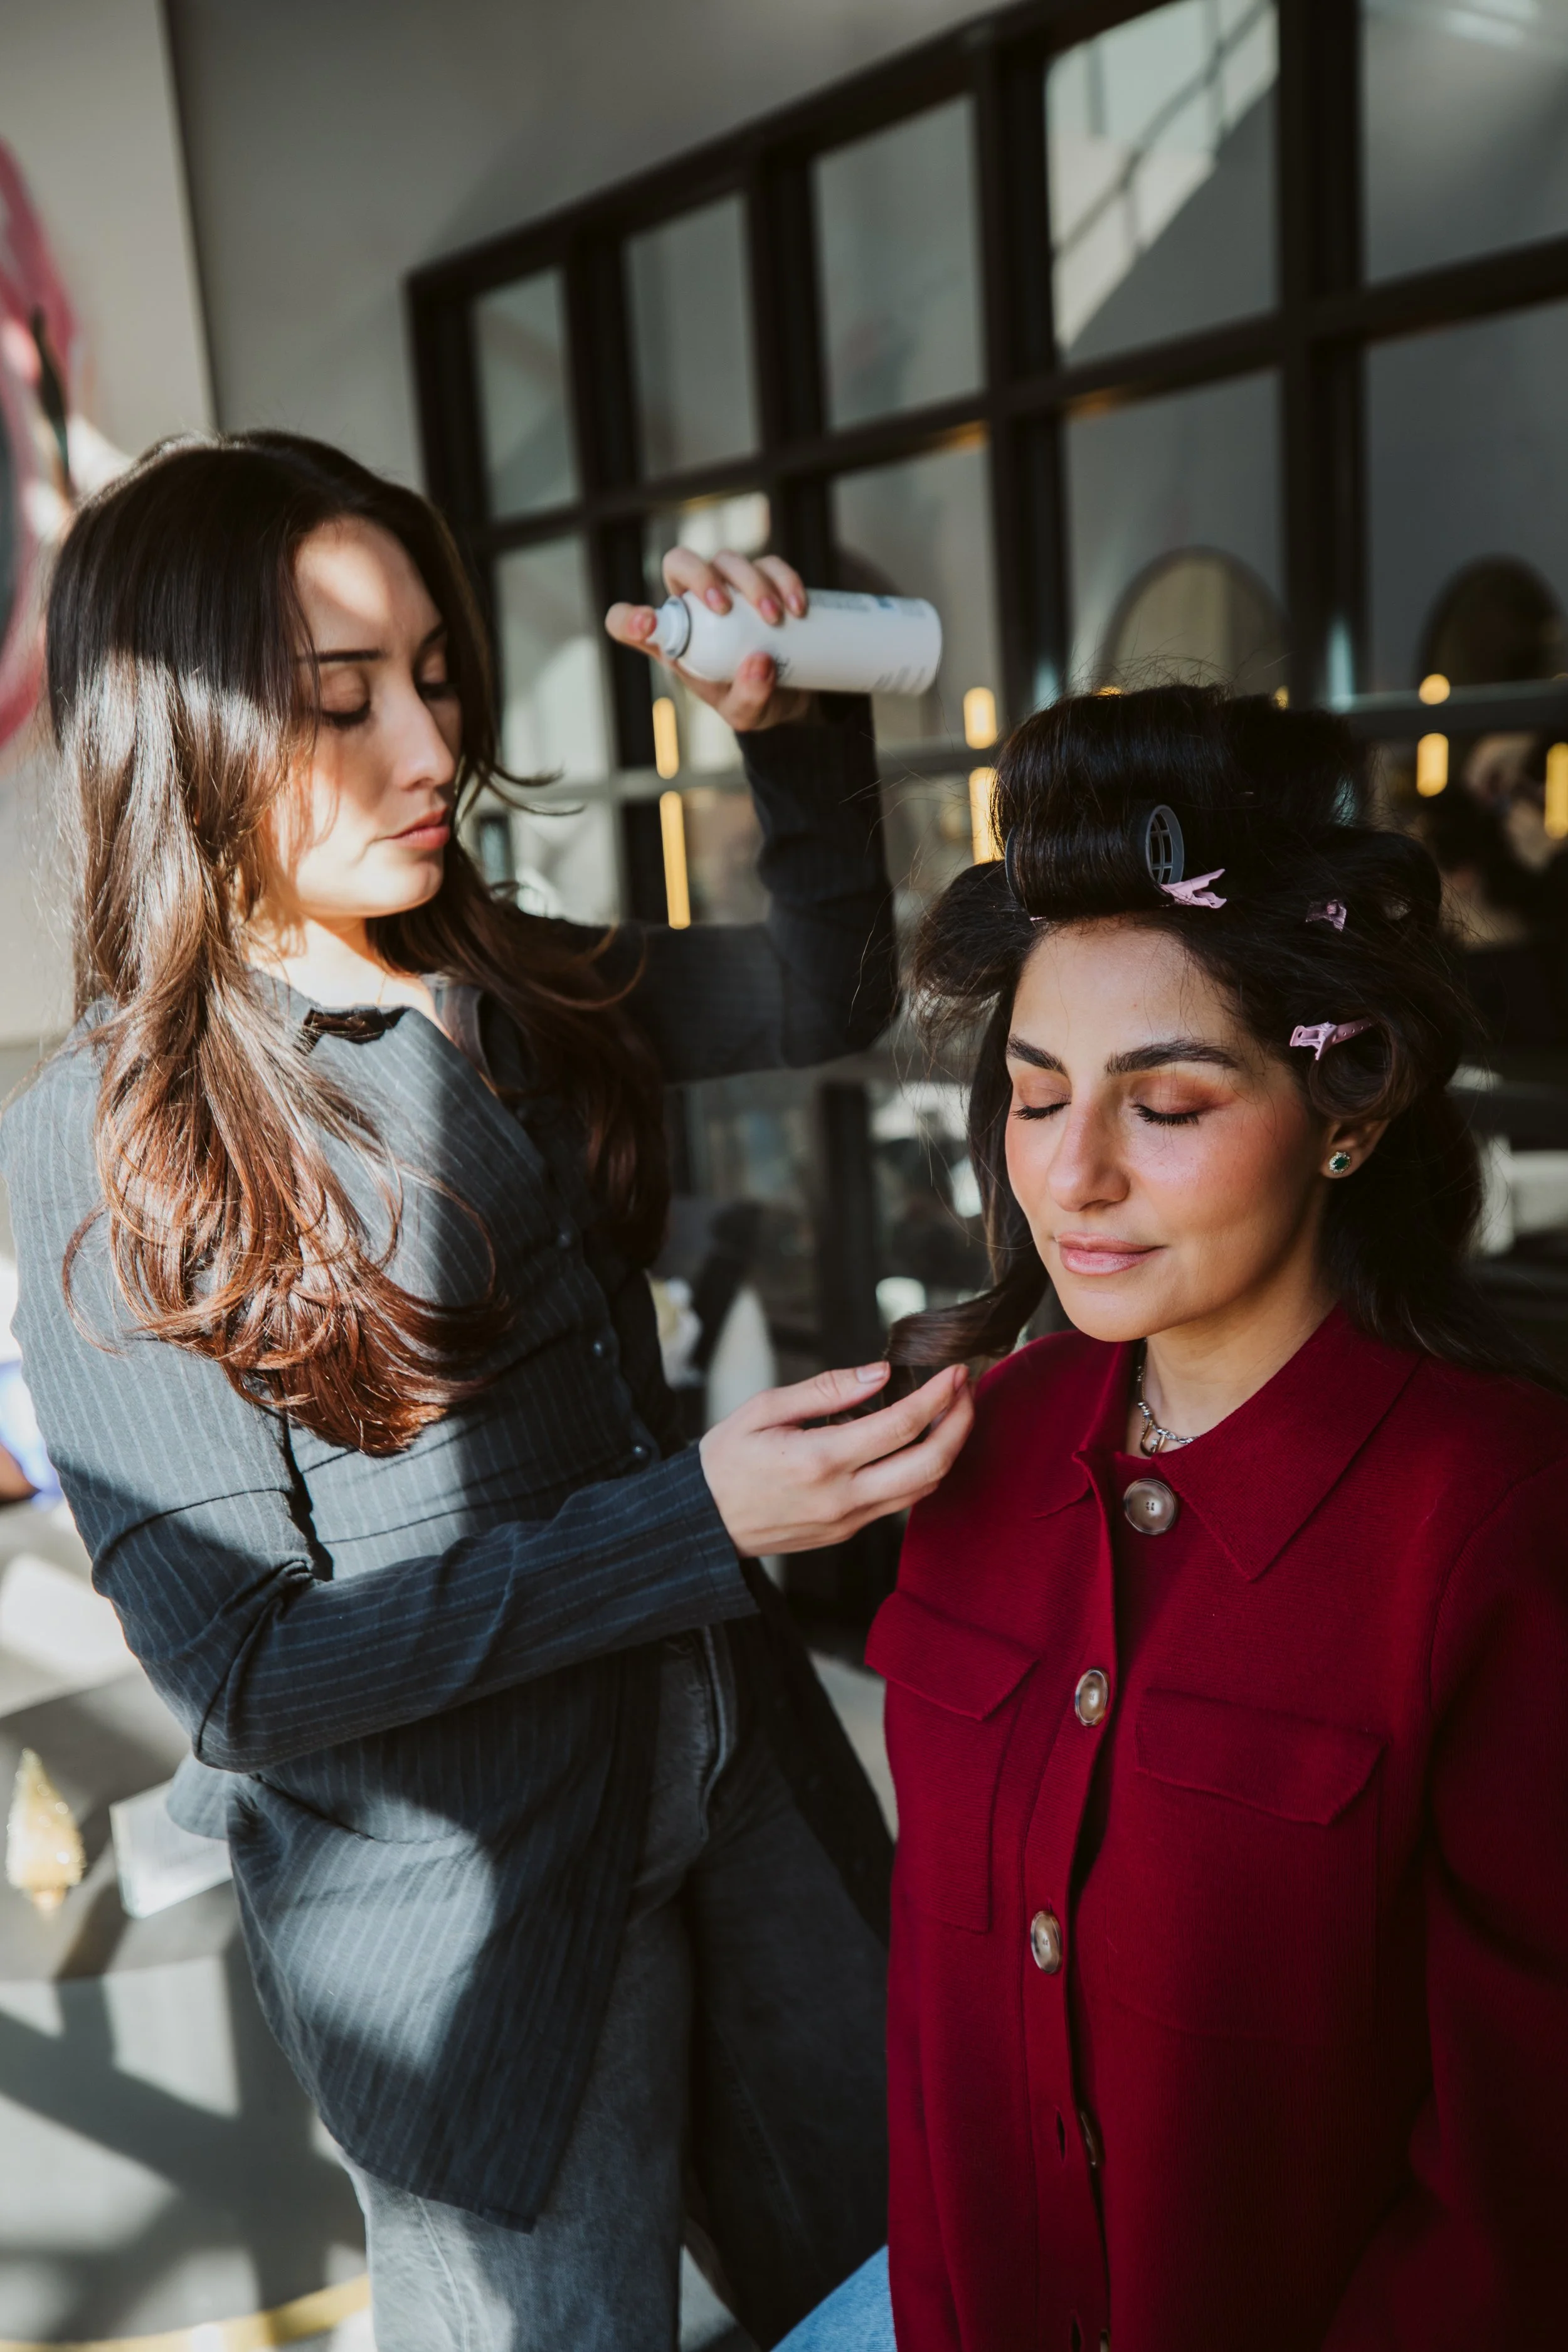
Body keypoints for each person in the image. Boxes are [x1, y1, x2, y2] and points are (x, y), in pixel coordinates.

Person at [1, 431, 976, 2351]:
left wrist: (781, 734)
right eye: (338, 701)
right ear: (169, 735)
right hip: (468, 1904)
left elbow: (822, 990)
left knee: (910, 2283)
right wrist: (696, 1519)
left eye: (435, 679)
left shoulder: (500, 973)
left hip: (737, 1763)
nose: (430, 748)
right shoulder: (100, 1149)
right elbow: (253, 1675)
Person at [780, 686, 1568, 2351]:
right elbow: (936, 2040)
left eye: (1168, 1101)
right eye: (1035, 1088)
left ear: (1346, 1111)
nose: (1066, 1176)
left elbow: (1520, 2192)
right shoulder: (980, 1451)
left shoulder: (1490, 1524)